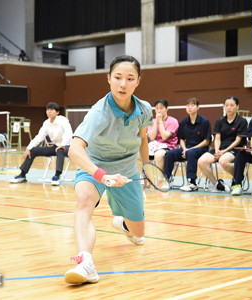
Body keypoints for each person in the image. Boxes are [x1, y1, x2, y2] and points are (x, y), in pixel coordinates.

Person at [63, 55, 152, 285]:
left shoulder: (144, 110)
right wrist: (101, 175)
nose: (123, 84)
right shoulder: (99, 113)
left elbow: (142, 139)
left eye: (130, 78)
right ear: (109, 79)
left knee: (139, 233)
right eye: (118, 78)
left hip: (127, 169)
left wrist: (147, 169)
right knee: (84, 201)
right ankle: (85, 264)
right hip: (96, 165)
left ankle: (123, 224)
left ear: (138, 81)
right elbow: (74, 149)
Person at [9, 102, 73, 186]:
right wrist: (28, 148)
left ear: (57, 112)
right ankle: (22, 175)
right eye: (47, 110)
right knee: (33, 151)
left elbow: (69, 133)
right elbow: (39, 136)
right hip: (55, 147)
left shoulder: (63, 120)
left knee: (60, 150)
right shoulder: (46, 123)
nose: (49, 112)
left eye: (51, 110)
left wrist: (63, 144)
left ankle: (57, 176)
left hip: (67, 147)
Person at [198, 96, 247, 192]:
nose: (229, 107)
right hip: (220, 149)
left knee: (223, 161)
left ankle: (238, 176)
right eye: (227, 105)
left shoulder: (242, 121)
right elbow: (217, 138)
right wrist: (217, 151)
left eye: (232, 105)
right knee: (201, 161)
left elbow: (237, 140)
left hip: (236, 148)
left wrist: (223, 152)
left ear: (237, 107)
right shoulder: (219, 121)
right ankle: (217, 184)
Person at [163, 98, 211, 192]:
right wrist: (184, 149)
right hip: (186, 149)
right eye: (188, 105)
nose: (189, 107)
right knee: (169, 154)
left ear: (198, 107)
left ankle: (192, 182)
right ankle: (166, 179)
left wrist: (190, 149)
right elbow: (181, 139)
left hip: (201, 149)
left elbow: (206, 141)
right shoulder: (184, 122)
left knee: (191, 153)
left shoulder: (204, 122)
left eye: (192, 105)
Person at [147, 99, 178, 171]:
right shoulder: (152, 121)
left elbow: (164, 137)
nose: (159, 111)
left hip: (168, 146)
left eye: (161, 108)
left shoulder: (173, 121)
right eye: (157, 108)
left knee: (158, 155)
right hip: (154, 146)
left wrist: (160, 122)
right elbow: (151, 137)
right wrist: (155, 122)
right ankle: (147, 177)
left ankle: (160, 179)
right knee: (139, 155)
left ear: (167, 109)